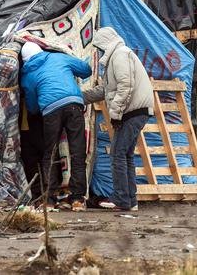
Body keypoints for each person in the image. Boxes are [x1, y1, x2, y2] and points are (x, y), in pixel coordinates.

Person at [82, 27, 153, 211]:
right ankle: (130, 200)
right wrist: (80, 97)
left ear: (105, 44)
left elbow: (126, 86)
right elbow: (107, 91)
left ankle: (121, 199)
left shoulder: (120, 55)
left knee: (117, 154)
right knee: (125, 155)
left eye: (99, 47)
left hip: (133, 111)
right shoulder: (118, 55)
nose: (99, 51)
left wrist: (116, 114)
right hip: (135, 110)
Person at [19, 41, 92, 211]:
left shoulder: (27, 76)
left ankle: (49, 200)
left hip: (50, 110)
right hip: (74, 105)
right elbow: (86, 70)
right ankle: (77, 199)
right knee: (77, 152)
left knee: (50, 153)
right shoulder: (58, 57)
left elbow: (32, 107)